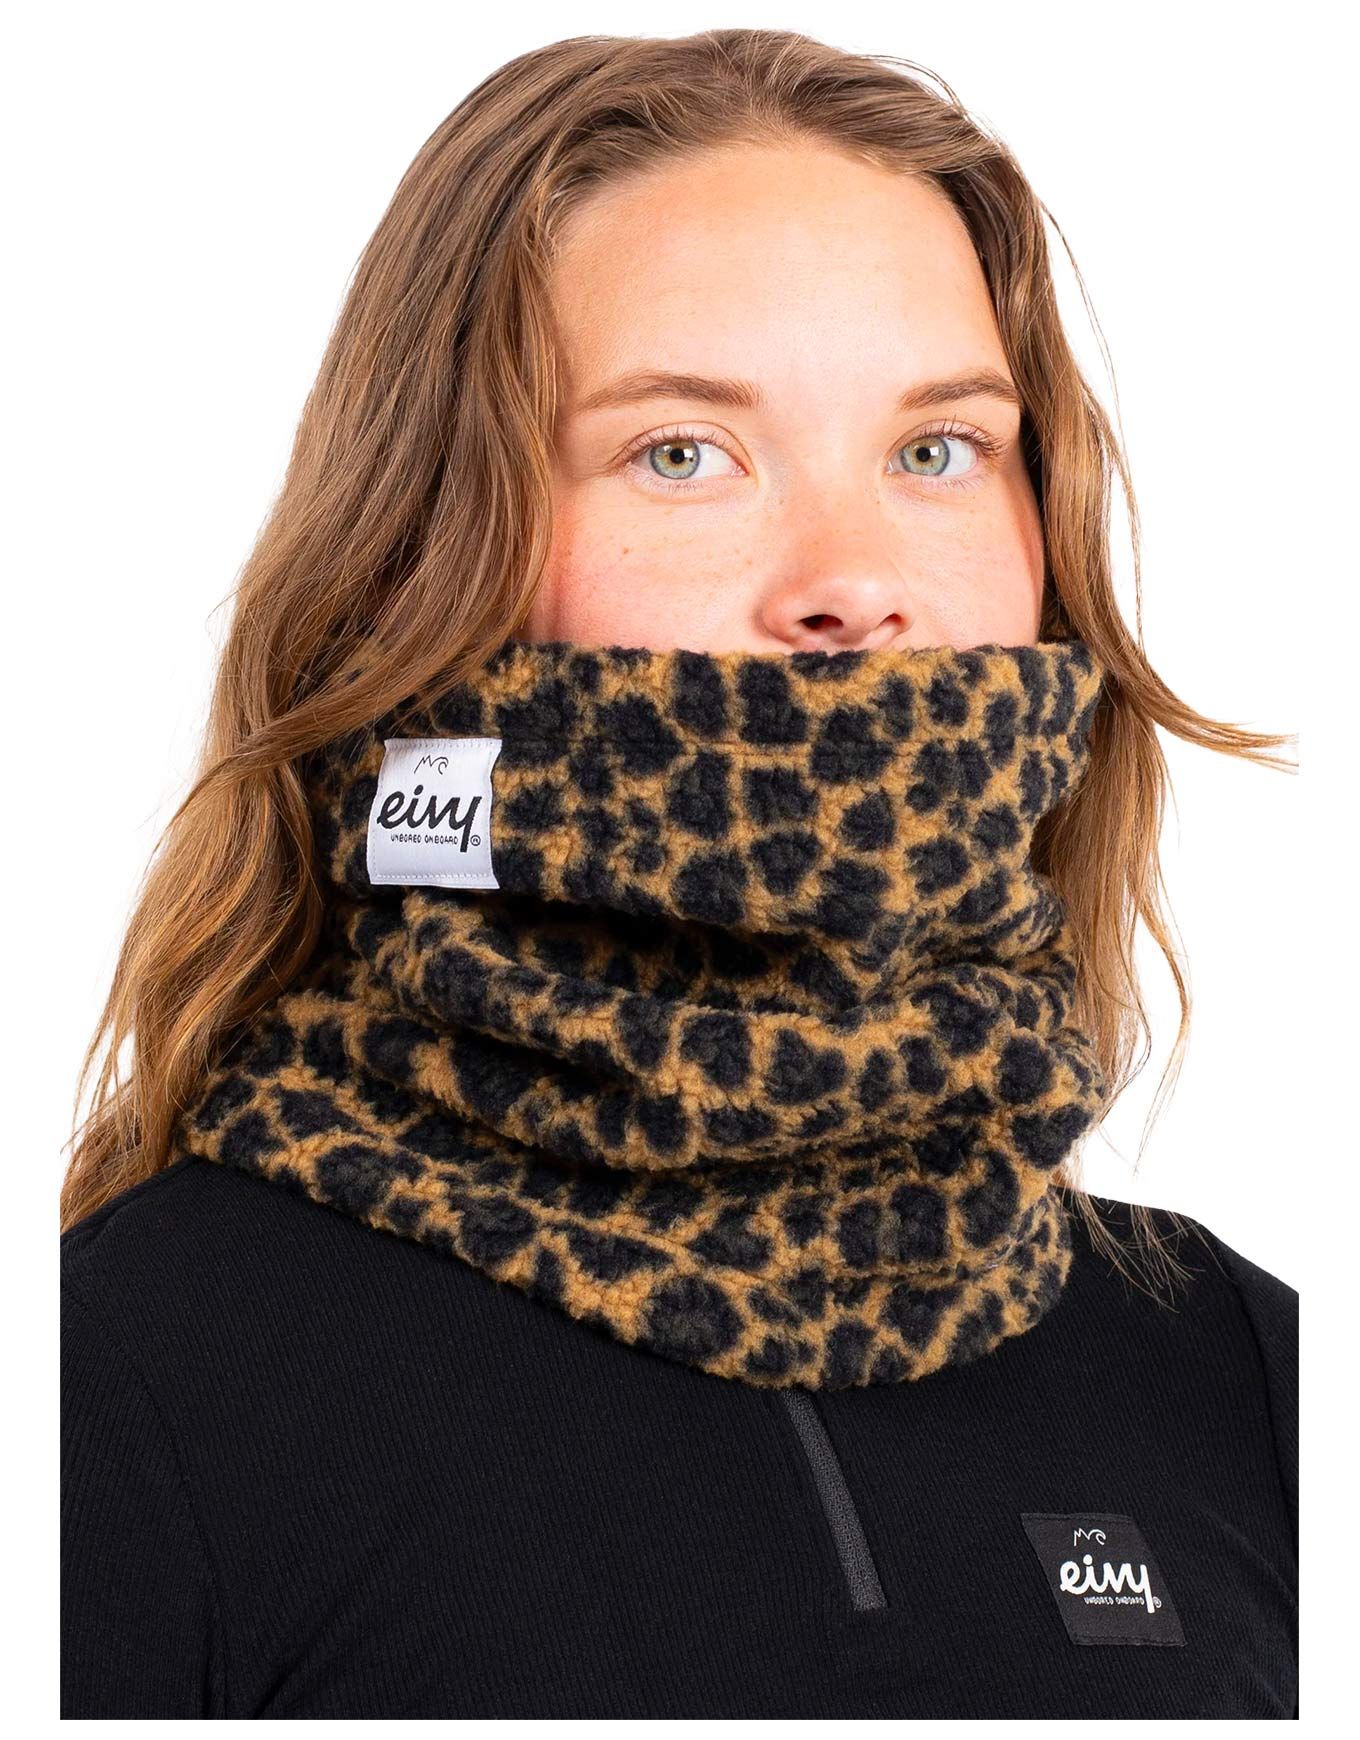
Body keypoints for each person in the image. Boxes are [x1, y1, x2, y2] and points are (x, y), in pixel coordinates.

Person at [59, 27, 1297, 1719]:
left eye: (937, 449)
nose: (852, 583)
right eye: (683, 452)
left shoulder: (1247, 1374)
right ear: (427, 562)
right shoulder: (123, 1384)